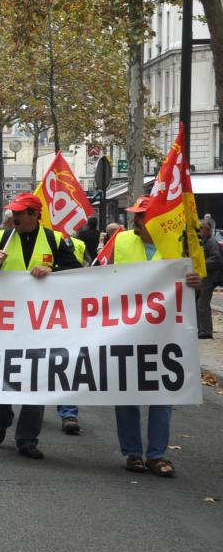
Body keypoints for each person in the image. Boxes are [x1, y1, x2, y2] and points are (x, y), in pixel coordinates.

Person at [103, 197, 202, 477]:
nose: (136, 221)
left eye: (142, 217)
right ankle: (133, 453)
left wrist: (195, 282)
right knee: (125, 393)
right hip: (126, 331)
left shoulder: (177, 246)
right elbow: (99, 277)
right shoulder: (120, 242)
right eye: (136, 216)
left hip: (165, 333)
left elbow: (195, 283)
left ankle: (157, 455)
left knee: (163, 394)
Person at [0, 192, 80, 459]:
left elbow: (77, 273)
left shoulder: (54, 240)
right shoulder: (1, 238)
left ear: (35, 215)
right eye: (13, 213)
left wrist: (52, 271)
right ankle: (1, 417)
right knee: (3, 376)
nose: (14, 217)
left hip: (41, 324)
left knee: (37, 380)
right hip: (6, 322)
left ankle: (27, 439)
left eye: (21, 213)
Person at [196, 219, 222, 339]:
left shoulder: (211, 242)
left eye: (201, 228)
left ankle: (206, 331)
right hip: (203, 277)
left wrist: (201, 264)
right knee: (198, 303)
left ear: (208, 230)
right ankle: (200, 328)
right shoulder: (203, 241)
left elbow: (216, 259)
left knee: (203, 304)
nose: (199, 230)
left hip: (209, 278)